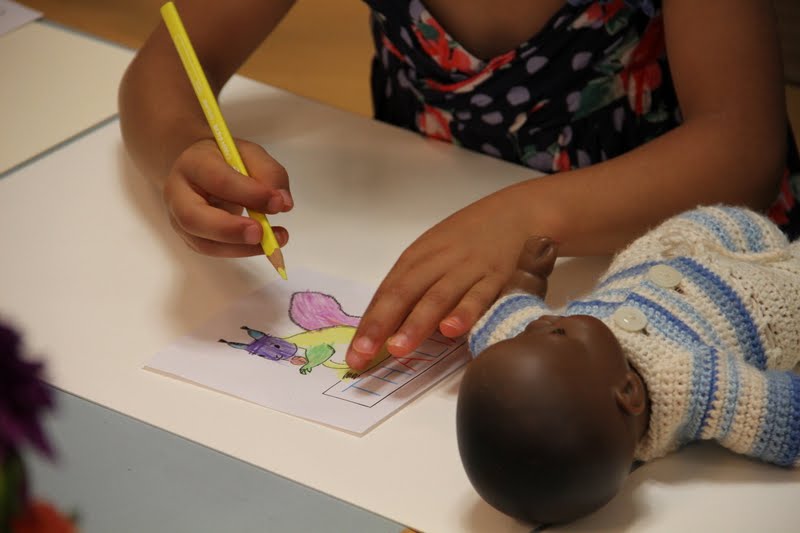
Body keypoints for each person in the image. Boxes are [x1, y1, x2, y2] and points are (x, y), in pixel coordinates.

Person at [118, 0, 800, 373]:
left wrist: (529, 218)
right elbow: (165, 72)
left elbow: (741, 148)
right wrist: (184, 149)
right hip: (427, 232)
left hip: (706, 277)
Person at [458, 205, 800, 525]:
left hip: (677, 249)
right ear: (629, 392)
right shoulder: (692, 382)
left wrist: (526, 278)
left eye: (525, 335)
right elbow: (779, 417)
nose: (539, 323)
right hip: (764, 304)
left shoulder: (543, 354)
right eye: (559, 332)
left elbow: (502, 322)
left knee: (707, 224)